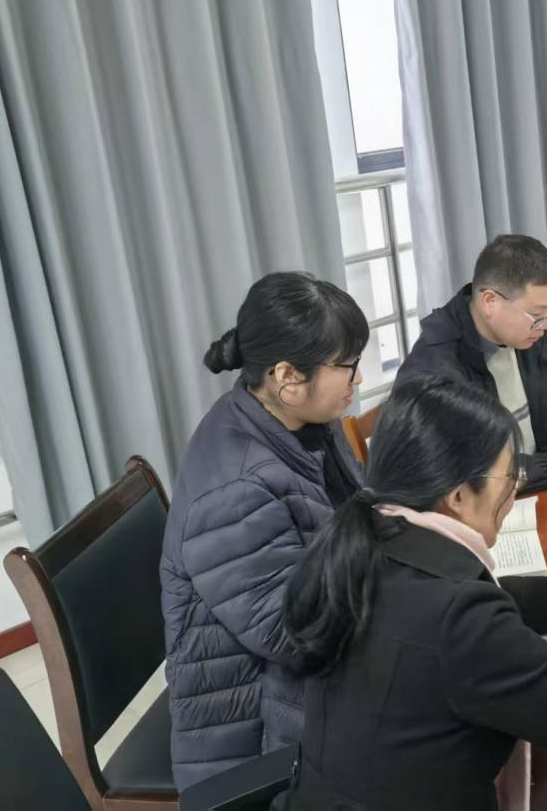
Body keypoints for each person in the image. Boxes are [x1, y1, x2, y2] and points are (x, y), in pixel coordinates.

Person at [282, 376, 547, 810]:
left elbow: (438, 611)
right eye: (509, 475)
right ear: (459, 496)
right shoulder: (459, 621)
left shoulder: (367, 542)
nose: (515, 488)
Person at [160, 271, 369, 790]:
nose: (359, 378)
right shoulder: (237, 487)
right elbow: (292, 634)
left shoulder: (296, 422)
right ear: (287, 376)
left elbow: (355, 519)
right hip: (255, 734)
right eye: (348, 366)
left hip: (296, 678)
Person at [396, 234, 547, 491]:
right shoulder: (435, 369)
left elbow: (539, 403)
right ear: (490, 302)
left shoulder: (527, 334)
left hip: (533, 492)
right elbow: (465, 473)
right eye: (537, 314)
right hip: (481, 506)